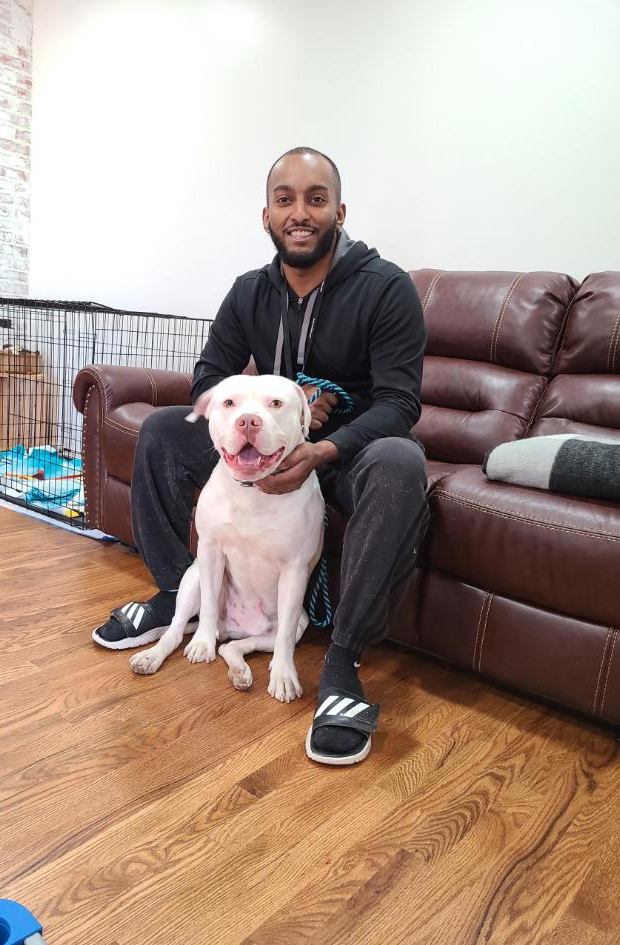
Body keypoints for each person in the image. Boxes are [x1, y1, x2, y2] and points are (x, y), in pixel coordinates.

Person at [93, 146, 429, 764]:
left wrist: (323, 444)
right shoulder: (249, 292)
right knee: (165, 429)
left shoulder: (387, 289)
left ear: (339, 210)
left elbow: (400, 403)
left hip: (342, 451)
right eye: (285, 199)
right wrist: (241, 422)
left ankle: (342, 663)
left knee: (402, 464)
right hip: (261, 447)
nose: (300, 212)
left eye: (315, 198)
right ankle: (179, 594)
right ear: (267, 216)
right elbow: (208, 375)